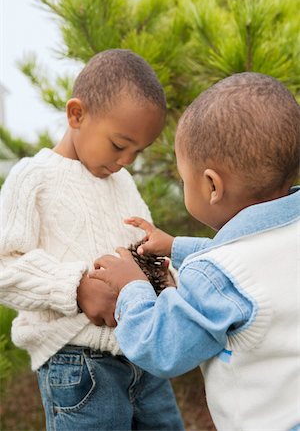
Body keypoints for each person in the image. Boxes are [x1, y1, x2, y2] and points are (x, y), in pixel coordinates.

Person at [90, 72, 300, 430]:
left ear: (211, 185)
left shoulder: (220, 276)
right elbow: (243, 259)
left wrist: (131, 288)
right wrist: (175, 246)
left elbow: (162, 347)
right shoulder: (274, 242)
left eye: (185, 179)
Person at [0, 49, 184, 431]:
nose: (127, 161)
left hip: (143, 357)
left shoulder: (124, 183)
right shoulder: (33, 177)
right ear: (76, 115)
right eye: (120, 145)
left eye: (138, 152)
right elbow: (5, 265)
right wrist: (76, 288)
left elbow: (141, 254)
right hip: (79, 365)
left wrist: (167, 280)